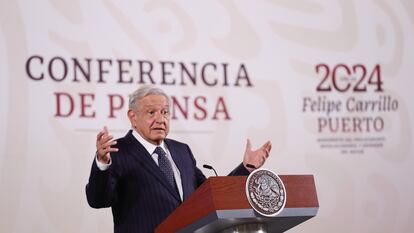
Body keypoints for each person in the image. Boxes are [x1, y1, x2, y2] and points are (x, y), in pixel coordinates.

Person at [86, 85, 272, 233]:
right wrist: (102, 163)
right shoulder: (117, 151)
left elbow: (210, 196)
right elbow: (97, 200)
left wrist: (246, 168)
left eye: (165, 112)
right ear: (133, 117)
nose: (160, 119)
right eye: (151, 113)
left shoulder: (181, 151)